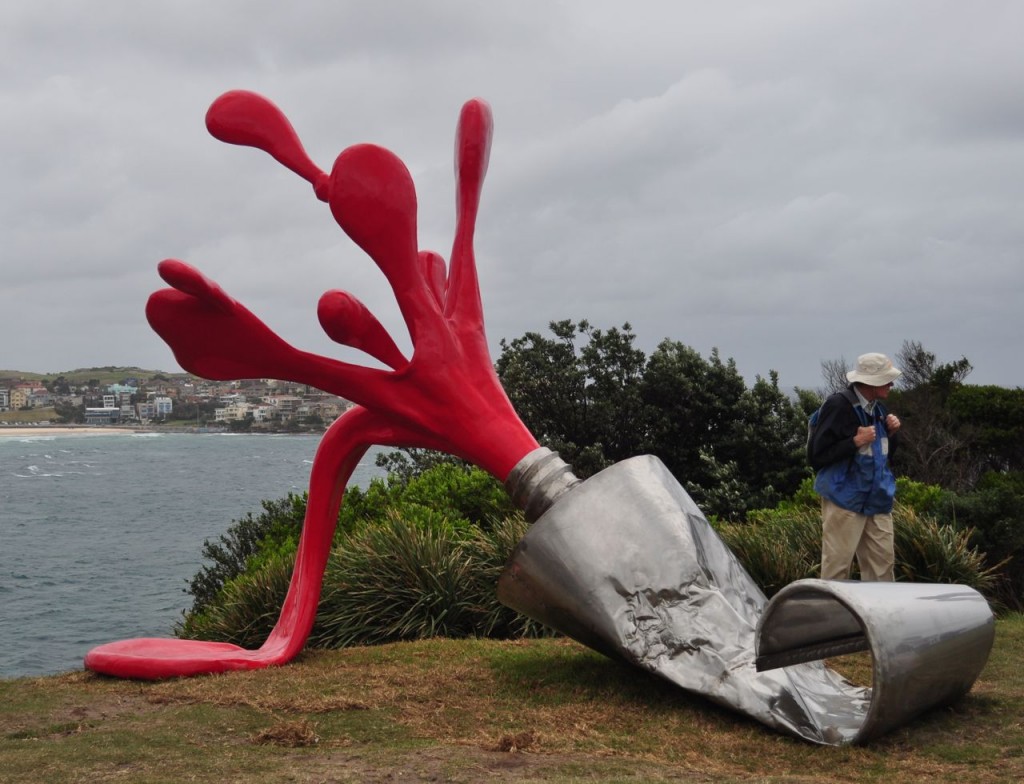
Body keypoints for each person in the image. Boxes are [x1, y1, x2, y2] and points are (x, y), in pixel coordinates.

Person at [808, 353, 902, 581]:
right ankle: (832, 606)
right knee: (837, 568)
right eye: (887, 379)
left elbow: (885, 456)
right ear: (871, 382)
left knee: (883, 569)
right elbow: (817, 456)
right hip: (844, 498)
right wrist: (854, 441)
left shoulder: (878, 409)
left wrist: (892, 433)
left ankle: (879, 607)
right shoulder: (838, 405)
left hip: (877, 499)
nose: (891, 384)